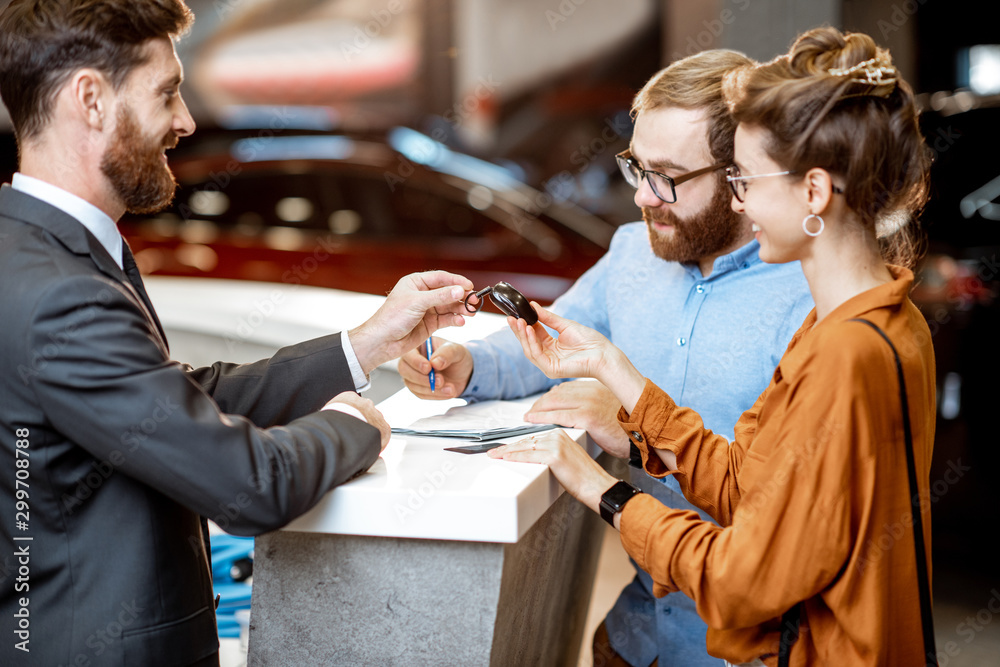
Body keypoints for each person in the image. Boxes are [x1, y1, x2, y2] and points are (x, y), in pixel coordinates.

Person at [0, 1, 475, 664]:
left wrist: (367, 342)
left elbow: (177, 402)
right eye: (167, 91)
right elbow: (249, 484)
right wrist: (357, 425)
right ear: (90, 99)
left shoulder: (31, 249)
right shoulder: (59, 292)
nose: (186, 120)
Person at [489, 26, 935, 666]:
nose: (741, 202)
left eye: (748, 180)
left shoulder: (846, 353)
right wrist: (615, 373)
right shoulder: (872, 320)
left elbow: (743, 580)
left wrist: (605, 491)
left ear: (812, 192)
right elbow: (747, 482)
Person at [400, 52, 812, 665]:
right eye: (636, 169)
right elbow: (553, 341)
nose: (645, 198)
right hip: (634, 634)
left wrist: (628, 419)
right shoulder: (630, 255)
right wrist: (470, 365)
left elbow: (776, 490)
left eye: (668, 176)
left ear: (740, 175)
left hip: (749, 649)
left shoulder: (808, 295)